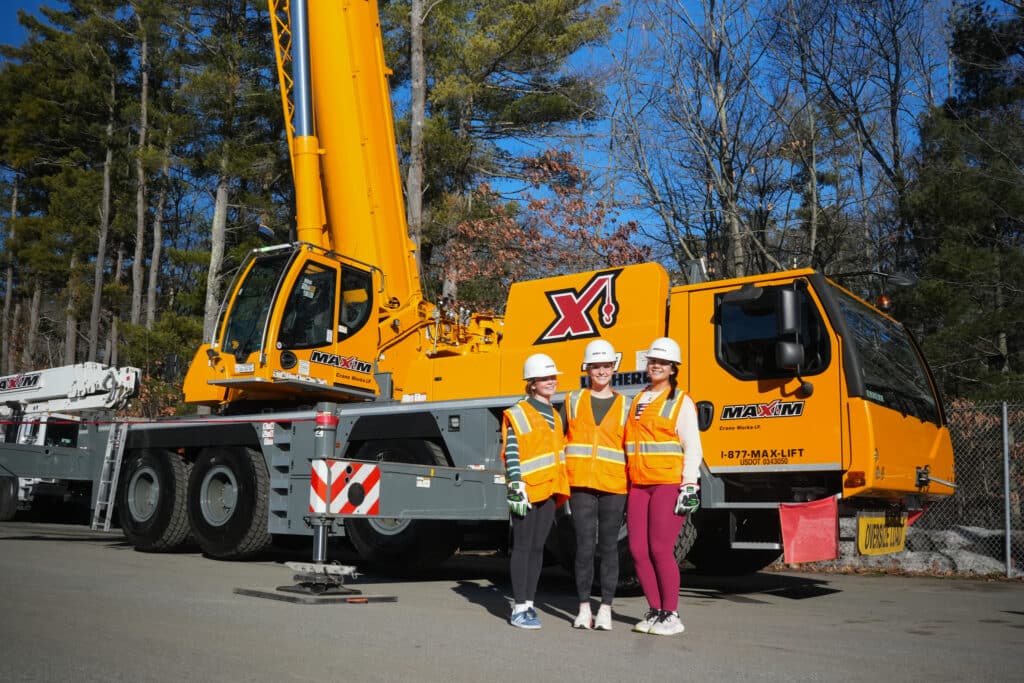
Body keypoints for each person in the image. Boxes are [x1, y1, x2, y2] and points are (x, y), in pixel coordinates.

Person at [625, 337, 704, 636]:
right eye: (652, 361)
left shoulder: (681, 402)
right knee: (637, 550)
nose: (656, 365)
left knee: (660, 548)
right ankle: (655, 611)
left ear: (673, 368)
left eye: (662, 362)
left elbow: (693, 447)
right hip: (639, 484)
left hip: (667, 483)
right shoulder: (638, 398)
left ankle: (671, 614)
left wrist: (689, 484)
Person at [563, 339, 628, 631]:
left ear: (613, 368)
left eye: (606, 365)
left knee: (609, 547)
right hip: (581, 484)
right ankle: (583, 608)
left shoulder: (627, 404)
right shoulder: (572, 400)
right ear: (587, 369)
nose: (601, 371)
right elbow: (559, 440)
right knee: (584, 547)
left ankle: (606, 609)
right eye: (596, 366)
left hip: (614, 484)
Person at [502, 353, 570, 629]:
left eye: (552, 377)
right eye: (544, 378)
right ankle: (518, 608)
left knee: (538, 548)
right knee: (523, 546)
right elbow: (512, 450)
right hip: (527, 490)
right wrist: (515, 484)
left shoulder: (554, 413)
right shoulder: (519, 411)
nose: (550, 382)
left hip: (550, 488)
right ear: (532, 382)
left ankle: (529, 603)